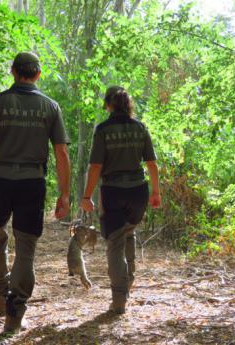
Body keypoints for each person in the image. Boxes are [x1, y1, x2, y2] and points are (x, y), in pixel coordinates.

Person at [0, 52, 70, 333]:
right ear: (37, 75)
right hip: (32, 182)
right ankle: (14, 314)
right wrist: (65, 194)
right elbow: (61, 152)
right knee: (26, 248)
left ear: (13, 72)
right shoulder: (50, 107)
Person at [80, 86, 161, 314]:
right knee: (129, 233)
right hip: (138, 192)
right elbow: (152, 164)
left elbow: (96, 166)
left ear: (109, 105)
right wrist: (156, 192)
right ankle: (129, 282)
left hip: (113, 191)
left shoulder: (103, 130)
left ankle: (119, 300)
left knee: (115, 243)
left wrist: (86, 195)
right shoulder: (140, 128)